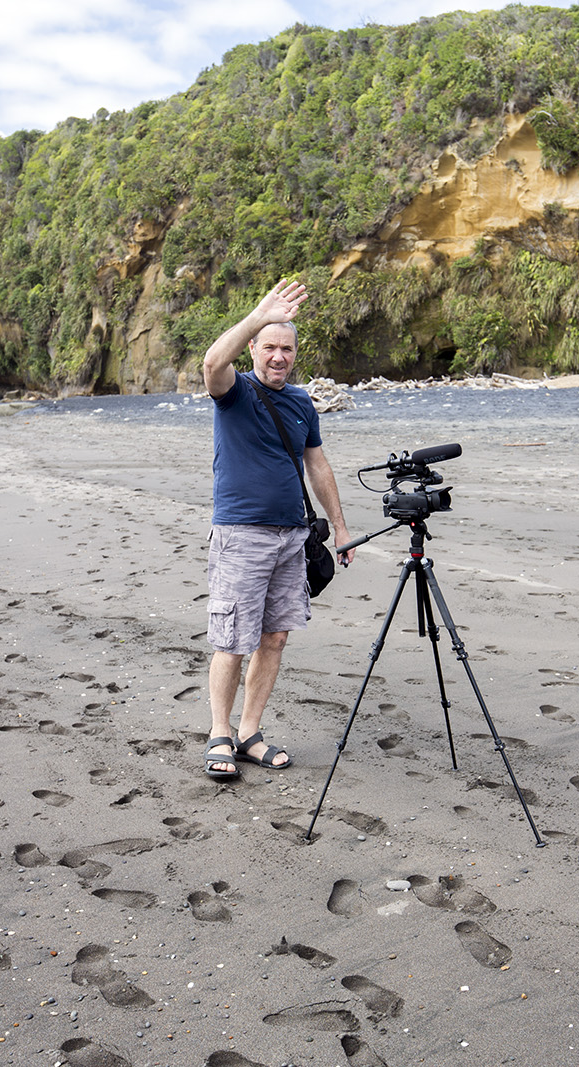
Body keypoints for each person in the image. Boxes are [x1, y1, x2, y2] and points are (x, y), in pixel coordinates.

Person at [200, 279, 354, 779]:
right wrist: (258, 312)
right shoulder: (235, 392)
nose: (278, 357)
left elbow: (318, 464)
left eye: (286, 348)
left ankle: (249, 733)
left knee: (275, 639)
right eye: (269, 346)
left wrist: (341, 526)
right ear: (253, 349)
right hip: (241, 535)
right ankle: (219, 734)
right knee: (232, 640)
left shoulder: (302, 402)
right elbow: (210, 364)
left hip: (292, 538)